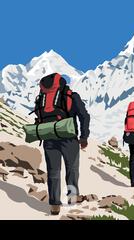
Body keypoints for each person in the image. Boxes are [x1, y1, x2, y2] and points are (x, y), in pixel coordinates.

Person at [33, 73, 90, 216]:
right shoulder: (71, 95)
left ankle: (54, 205)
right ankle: (72, 197)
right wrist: (84, 137)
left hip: (49, 138)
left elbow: (39, 116)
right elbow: (84, 116)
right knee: (72, 169)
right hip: (69, 139)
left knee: (53, 172)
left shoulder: (42, 97)